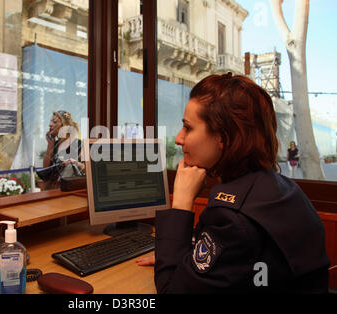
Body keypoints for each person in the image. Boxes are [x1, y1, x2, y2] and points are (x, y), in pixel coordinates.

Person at [137, 73, 330, 293]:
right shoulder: (281, 188)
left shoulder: (232, 219)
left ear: (223, 138)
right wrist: (175, 253)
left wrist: (181, 201)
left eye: (188, 128)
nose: (179, 138)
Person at [40, 110, 84, 190]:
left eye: (55, 122)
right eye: (51, 121)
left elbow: (87, 169)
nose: (50, 124)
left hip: (70, 192)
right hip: (54, 191)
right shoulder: (54, 144)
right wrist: (50, 145)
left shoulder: (79, 144)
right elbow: (46, 171)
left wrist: (76, 163)